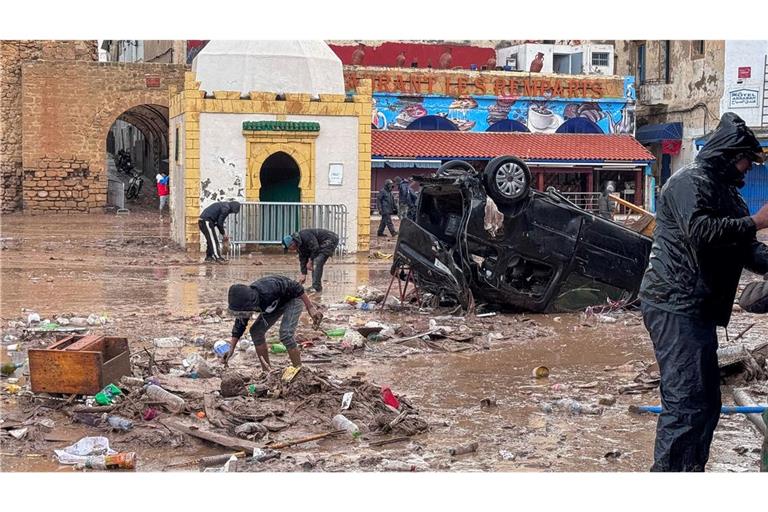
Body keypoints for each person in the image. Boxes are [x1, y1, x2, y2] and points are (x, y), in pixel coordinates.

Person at [639, 112, 768, 472]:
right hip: (673, 304)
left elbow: (747, 250)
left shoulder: (729, 196)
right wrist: (757, 221)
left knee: (706, 404)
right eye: (745, 160)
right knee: (685, 406)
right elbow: (701, 231)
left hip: (697, 310)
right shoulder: (688, 182)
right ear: (728, 154)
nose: (748, 169)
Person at [225, 275, 322, 371]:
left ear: (249, 304)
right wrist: (232, 347)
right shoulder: (246, 302)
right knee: (256, 331)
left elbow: (297, 287)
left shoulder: (269, 288)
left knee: (286, 334)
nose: (244, 314)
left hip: (293, 299)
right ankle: (267, 371)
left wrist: (310, 307)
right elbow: (240, 324)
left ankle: (299, 370)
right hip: (274, 305)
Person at [282, 228, 339, 293]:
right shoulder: (299, 245)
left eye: (289, 248)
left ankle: (316, 287)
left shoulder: (304, 235)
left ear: (292, 244)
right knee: (315, 260)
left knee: (317, 261)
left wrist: (310, 261)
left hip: (330, 238)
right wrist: (303, 274)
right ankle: (315, 286)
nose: (290, 250)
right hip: (320, 243)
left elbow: (315, 247)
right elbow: (302, 259)